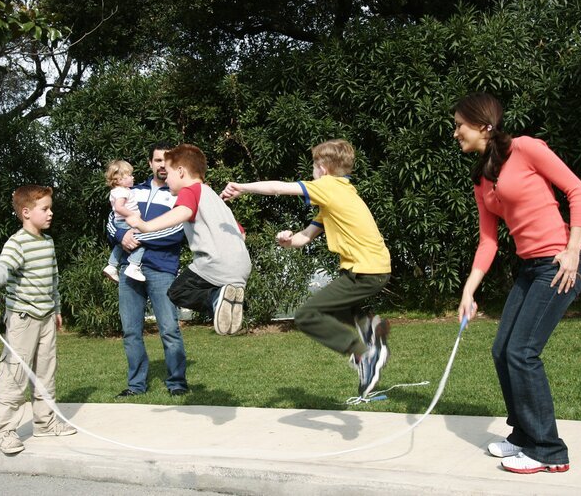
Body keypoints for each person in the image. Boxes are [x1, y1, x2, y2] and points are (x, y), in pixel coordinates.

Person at [453, 92, 581, 474]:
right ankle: (524, 435)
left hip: (559, 266)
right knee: (502, 350)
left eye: (459, 125)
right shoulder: (482, 178)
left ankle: (549, 450)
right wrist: (469, 289)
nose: (455, 133)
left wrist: (573, 248)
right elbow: (488, 241)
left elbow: (578, 190)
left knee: (522, 352)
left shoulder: (525, 149)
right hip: (530, 269)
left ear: (483, 125)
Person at [220, 139, 391, 398]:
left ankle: (363, 353)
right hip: (370, 268)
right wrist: (287, 241)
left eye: (313, 166)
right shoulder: (339, 194)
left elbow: (278, 188)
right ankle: (370, 328)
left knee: (306, 316)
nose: (312, 172)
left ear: (322, 169)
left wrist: (242, 187)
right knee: (333, 309)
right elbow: (304, 237)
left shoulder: (328, 186)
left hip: (366, 270)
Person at [0, 185, 76, 455]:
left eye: (50, 208)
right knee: (15, 373)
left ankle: (45, 423)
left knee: (45, 371)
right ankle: (3, 432)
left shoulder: (47, 242)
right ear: (26, 212)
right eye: (45, 209)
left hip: (46, 317)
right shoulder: (17, 243)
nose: (50, 213)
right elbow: (2, 268)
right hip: (23, 319)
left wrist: (56, 308)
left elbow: (53, 280)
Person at [125, 143, 251, 337]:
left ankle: (217, 298)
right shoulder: (215, 198)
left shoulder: (190, 191)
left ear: (181, 172)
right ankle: (230, 301)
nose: (167, 179)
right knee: (206, 286)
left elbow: (182, 212)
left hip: (214, 263)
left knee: (177, 292)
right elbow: (241, 233)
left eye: (169, 173)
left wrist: (145, 225)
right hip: (241, 266)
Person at [106, 144, 189, 397]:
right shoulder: (132, 190)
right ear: (150, 163)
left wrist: (137, 237)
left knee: (169, 329)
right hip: (128, 269)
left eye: (167, 160)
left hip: (162, 269)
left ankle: (177, 383)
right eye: (158, 160)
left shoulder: (178, 194)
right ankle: (136, 385)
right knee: (131, 331)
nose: (162, 165)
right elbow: (112, 220)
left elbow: (176, 231)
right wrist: (121, 237)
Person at [103, 159, 146, 282]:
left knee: (119, 244)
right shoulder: (122, 192)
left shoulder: (117, 191)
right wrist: (133, 215)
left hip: (121, 221)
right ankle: (134, 266)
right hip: (126, 221)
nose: (133, 177)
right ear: (119, 180)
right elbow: (119, 207)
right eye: (130, 175)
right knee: (143, 239)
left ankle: (111, 266)